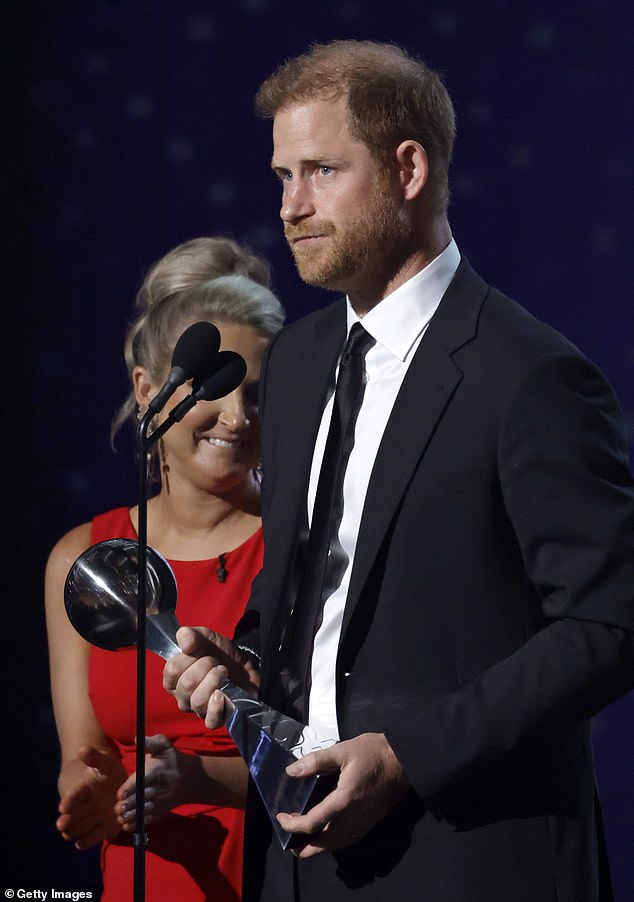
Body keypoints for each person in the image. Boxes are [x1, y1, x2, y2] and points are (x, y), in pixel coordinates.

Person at [163, 41, 634, 902]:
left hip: (471, 857)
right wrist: (246, 664)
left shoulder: (528, 375)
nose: (291, 207)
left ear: (408, 167)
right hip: (304, 855)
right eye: (280, 177)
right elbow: (309, 585)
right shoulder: (301, 360)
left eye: (319, 171)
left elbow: (610, 622)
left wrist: (405, 756)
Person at [45, 236, 285, 901]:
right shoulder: (83, 557)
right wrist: (84, 788)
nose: (238, 417)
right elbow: (84, 753)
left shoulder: (306, 545)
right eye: (217, 388)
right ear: (149, 390)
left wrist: (201, 780)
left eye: (260, 394)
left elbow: (330, 763)